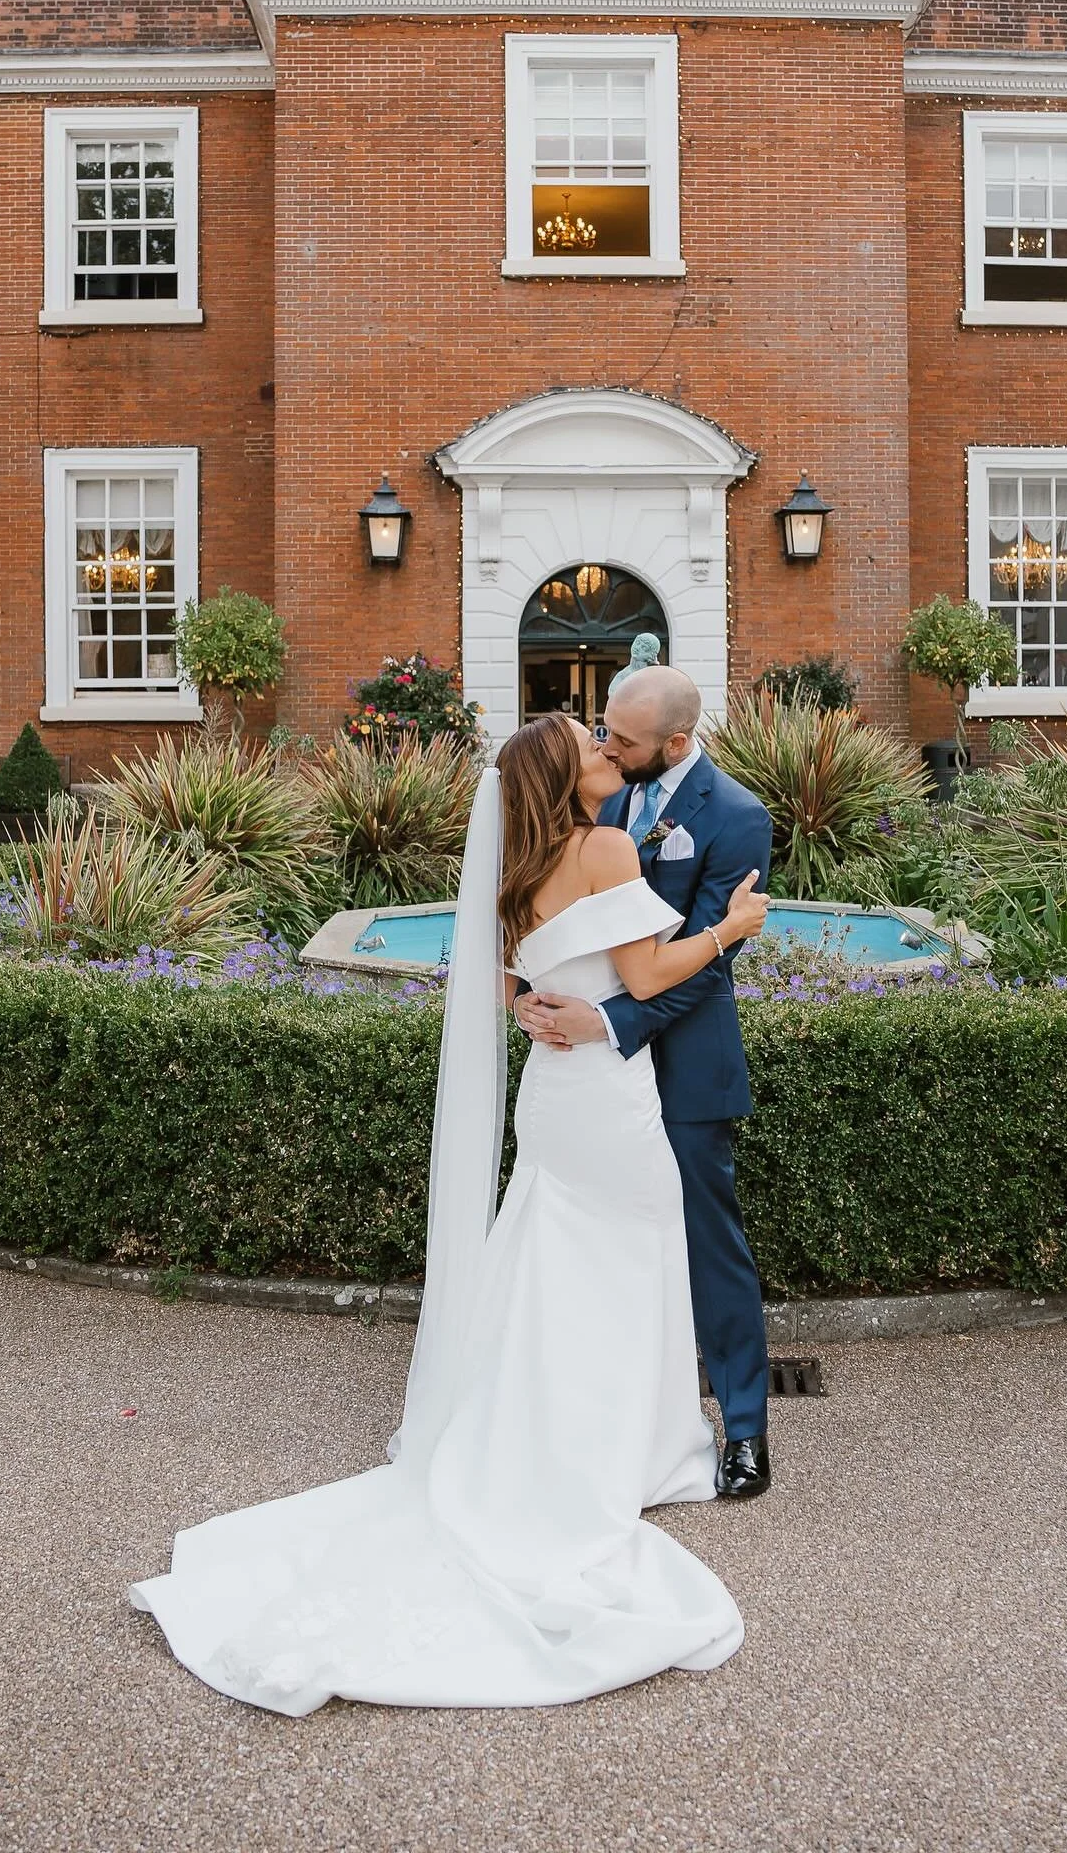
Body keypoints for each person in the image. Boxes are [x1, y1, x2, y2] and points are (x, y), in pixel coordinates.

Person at [128, 713, 770, 1716]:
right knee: (627, 1261)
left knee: (557, 1260)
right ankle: (624, 1447)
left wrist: (542, 1008)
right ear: (565, 777)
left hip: (553, 1100)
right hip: (602, 1097)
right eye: (592, 748)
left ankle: (576, 1434)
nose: (609, 753)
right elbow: (647, 976)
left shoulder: (515, 879)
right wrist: (728, 932)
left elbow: (520, 988)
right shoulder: (602, 847)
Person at [516, 667, 775, 1500]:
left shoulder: (736, 817)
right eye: (600, 730)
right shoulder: (592, 808)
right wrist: (532, 1000)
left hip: (686, 1062)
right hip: (589, 1078)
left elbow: (711, 959)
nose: (603, 744)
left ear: (672, 742)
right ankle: (610, 1421)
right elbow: (550, 923)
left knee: (709, 1246)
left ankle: (744, 1430)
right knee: (599, 1242)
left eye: (619, 739)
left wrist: (612, 1023)